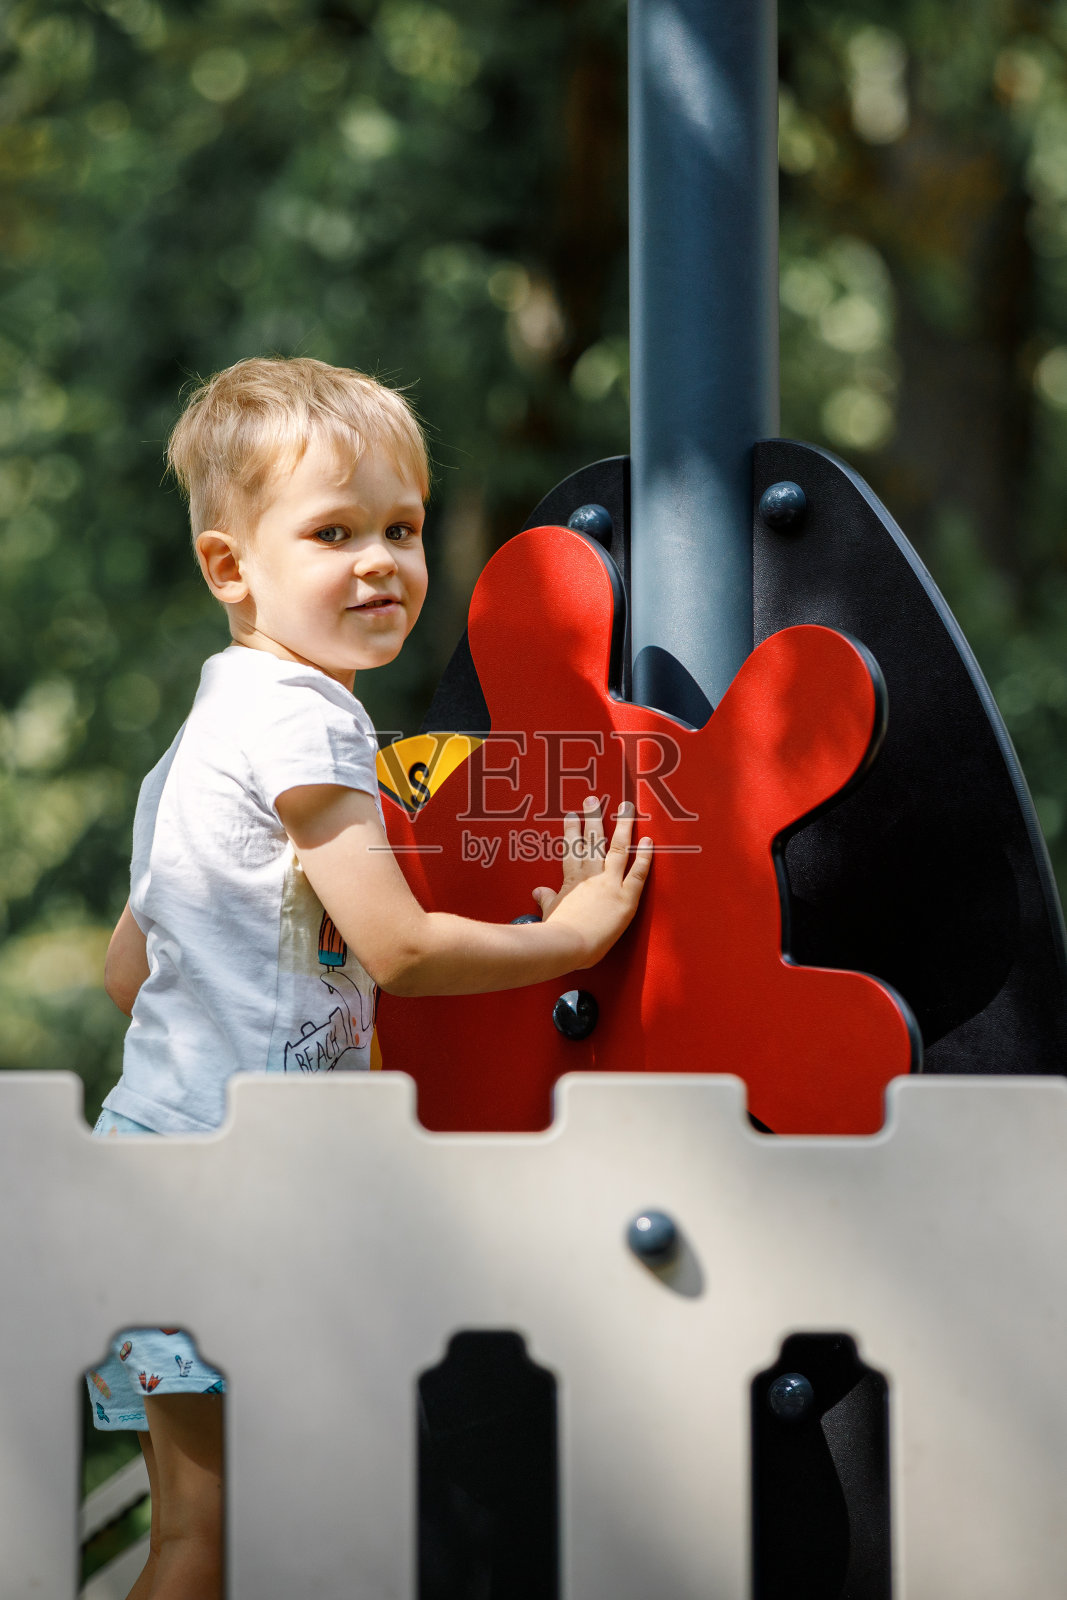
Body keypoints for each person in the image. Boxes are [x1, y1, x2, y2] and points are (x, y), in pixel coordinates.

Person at [88, 355, 653, 1598]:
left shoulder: (203, 731)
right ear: (232, 569)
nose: (380, 563)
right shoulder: (312, 718)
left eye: (400, 529)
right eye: (332, 533)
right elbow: (396, 943)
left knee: (193, 1536)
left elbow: (133, 968)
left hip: (153, 1158)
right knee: (254, 1539)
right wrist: (571, 935)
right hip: (245, 1190)